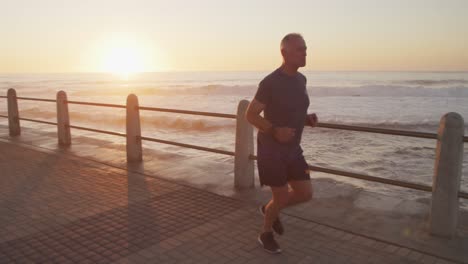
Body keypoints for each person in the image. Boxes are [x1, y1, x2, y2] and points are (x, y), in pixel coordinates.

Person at [245, 33, 318, 254]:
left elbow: (292, 109)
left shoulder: (301, 79)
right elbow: (250, 115)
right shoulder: (270, 82)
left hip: (293, 150)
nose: (305, 52)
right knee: (282, 196)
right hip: (272, 151)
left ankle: (270, 210)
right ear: (284, 53)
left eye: (305, 48)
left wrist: (305, 119)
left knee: (305, 193)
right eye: (300, 49)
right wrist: (275, 131)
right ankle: (265, 233)